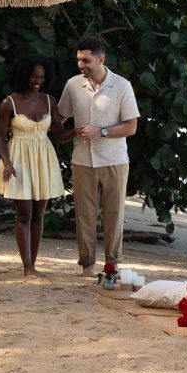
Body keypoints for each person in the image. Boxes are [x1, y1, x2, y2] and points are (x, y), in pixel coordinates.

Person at [58, 37, 140, 276]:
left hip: (115, 160)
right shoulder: (73, 84)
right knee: (84, 214)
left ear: (101, 59)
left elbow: (131, 127)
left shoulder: (122, 86)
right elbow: (59, 118)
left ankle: (112, 265)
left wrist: (100, 131)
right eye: (78, 60)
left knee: (114, 215)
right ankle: (87, 266)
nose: (81, 65)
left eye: (86, 60)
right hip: (82, 159)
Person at [0, 54, 69, 277]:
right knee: (23, 214)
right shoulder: (9, 103)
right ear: (24, 75)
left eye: (42, 77)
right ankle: (27, 266)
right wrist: (6, 163)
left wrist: (80, 131)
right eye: (34, 76)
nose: (38, 81)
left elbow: (58, 133)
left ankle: (33, 265)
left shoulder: (49, 101)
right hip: (18, 159)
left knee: (39, 214)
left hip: (43, 158)